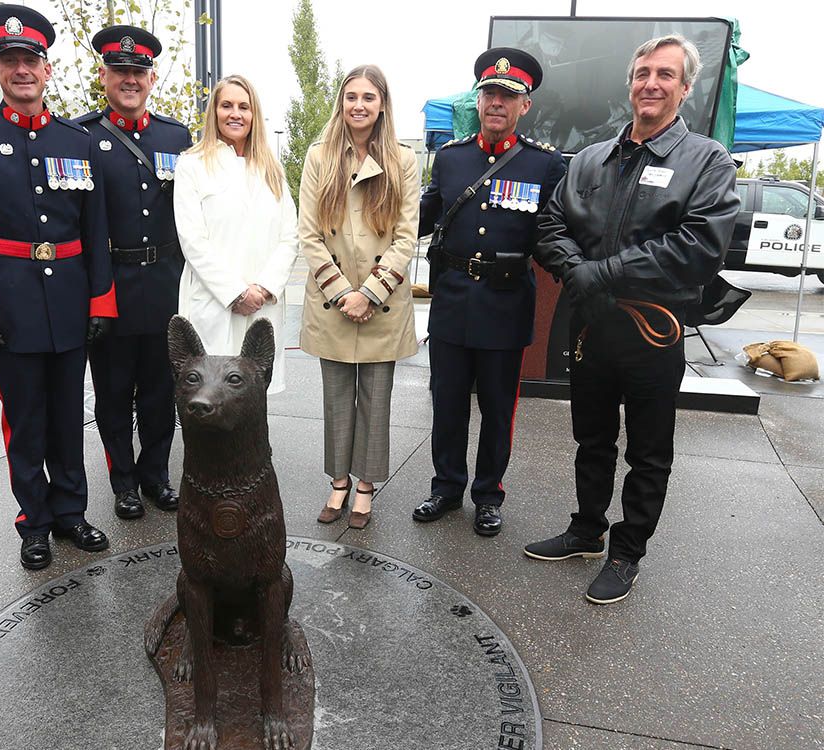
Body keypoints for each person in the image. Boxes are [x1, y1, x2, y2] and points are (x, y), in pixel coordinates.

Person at [526, 34, 740, 604]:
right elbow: (550, 226)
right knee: (590, 437)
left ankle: (627, 552)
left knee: (648, 450)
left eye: (665, 74)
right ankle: (588, 530)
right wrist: (580, 272)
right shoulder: (593, 158)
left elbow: (699, 245)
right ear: (630, 83)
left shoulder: (707, 161)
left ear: (686, 88)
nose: (651, 82)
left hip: (653, 331)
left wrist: (605, 272)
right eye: (643, 72)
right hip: (591, 326)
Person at [0, 4, 117, 570]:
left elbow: (96, 231)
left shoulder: (77, 140)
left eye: (30, 60)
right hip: (8, 306)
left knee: (68, 415)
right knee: (26, 422)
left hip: (67, 301)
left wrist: (100, 301)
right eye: (9, 60)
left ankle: (71, 513)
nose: (21, 70)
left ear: (47, 68)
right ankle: (33, 522)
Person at [415, 48, 566, 537]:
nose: (496, 102)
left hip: (505, 304)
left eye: (508, 95)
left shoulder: (545, 166)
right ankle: (446, 486)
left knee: (498, 408)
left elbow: (554, 231)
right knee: (448, 402)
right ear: (478, 100)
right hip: (454, 301)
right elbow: (421, 217)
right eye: (489, 94)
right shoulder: (453, 158)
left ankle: (487, 494)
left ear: (525, 106)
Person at [77, 26, 192, 521]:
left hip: (165, 284)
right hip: (112, 286)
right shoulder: (81, 136)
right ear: (104, 76)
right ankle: (123, 481)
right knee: (114, 393)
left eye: (138, 72)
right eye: (120, 71)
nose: (130, 80)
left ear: (151, 78)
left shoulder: (176, 136)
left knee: (161, 392)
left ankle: (156, 475)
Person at [300, 65, 420, 530]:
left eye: (368, 97)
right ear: (341, 101)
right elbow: (309, 235)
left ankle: (366, 484)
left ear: (383, 103)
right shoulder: (319, 156)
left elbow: (407, 236)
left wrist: (369, 292)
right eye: (351, 96)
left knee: (376, 398)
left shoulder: (403, 160)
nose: (359, 105)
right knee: (335, 397)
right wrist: (343, 293)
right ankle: (338, 481)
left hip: (380, 300)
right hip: (334, 298)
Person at [173, 75, 298, 394]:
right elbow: (192, 240)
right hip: (215, 305)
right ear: (214, 112)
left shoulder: (272, 169)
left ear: (254, 114)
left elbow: (289, 236)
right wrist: (235, 292)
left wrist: (264, 287)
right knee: (211, 397)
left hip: (262, 305)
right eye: (226, 105)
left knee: (252, 401)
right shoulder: (192, 165)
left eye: (244, 107)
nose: (235, 114)